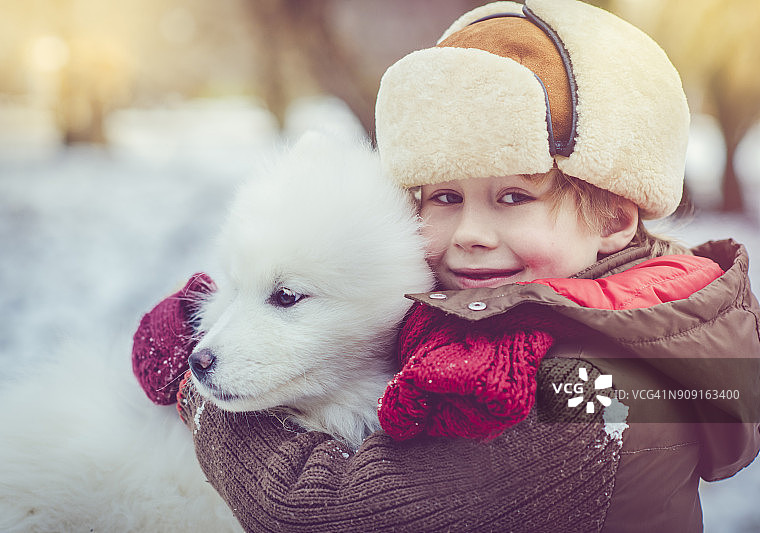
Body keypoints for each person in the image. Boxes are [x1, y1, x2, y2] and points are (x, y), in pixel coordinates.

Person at [132, 1, 760, 531]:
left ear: (612, 220)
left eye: (513, 197)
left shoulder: (591, 399)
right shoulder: (566, 311)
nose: (470, 235)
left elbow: (328, 508)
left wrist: (199, 398)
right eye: (444, 197)